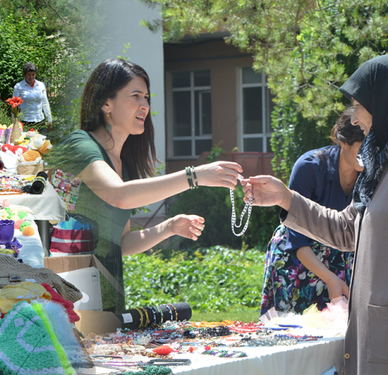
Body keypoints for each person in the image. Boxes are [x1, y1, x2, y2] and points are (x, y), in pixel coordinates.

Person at [49, 58, 242, 315]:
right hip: (65, 298)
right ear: (106, 103)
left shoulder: (122, 166)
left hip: (104, 300)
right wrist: (193, 176)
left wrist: (169, 226)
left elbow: (123, 243)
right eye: (136, 96)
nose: (145, 106)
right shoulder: (80, 145)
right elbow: (119, 196)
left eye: (147, 98)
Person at [244, 55, 388, 375]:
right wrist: (286, 198)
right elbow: (347, 229)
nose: (354, 117)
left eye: (359, 104)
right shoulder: (377, 168)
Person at [259, 108, 365, 316]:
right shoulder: (309, 167)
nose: (368, 156)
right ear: (344, 143)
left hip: (344, 258)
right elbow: (297, 240)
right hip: (299, 259)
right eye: (362, 148)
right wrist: (329, 277)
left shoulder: (369, 175)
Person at [12, 62, 53, 132]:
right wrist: (14, 122)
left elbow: (45, 103)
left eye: (33, 74)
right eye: (29, 75)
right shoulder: (19, 86)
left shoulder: (41, 85)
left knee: (43, 141)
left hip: (40, 120)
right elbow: (14, 105)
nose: (31, 77)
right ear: (24, 75)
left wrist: (49, 119)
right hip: (25, 121)